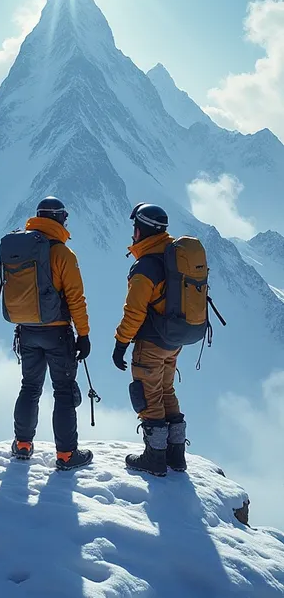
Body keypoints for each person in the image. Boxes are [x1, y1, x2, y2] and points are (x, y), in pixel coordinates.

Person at [11, 197, 93, 470]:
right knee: (64, 392)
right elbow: (75, 299)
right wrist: (84, 334)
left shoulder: (22, 249)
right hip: (57, 333)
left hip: (26, 330)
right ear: (58, 219)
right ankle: (67, 455)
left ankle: (23, 445)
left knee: (29, 387)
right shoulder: (63, 254)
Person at [112, 203, 187, 477]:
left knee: (148, 394)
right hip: (173, 341)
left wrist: (121, 344)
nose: (132, 235)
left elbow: (134, 311)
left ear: (141, 230)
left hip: (151, 343)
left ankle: (155, 458)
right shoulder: (173, 257)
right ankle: (176, 456)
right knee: (166, 390)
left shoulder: (145, 267)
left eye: (135, 230)